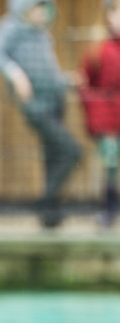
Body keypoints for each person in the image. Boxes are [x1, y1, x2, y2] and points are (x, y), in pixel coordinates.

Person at [0, 0, 82, 229]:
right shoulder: (10, 26)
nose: (41, 12)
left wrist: (69, 81)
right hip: (36, 106)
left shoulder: (41, 34)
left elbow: (49, 72)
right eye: (37, 7)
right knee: (71, 151)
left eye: (44, 7)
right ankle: (46, 201)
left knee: (53, 158)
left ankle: (50, 215)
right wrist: (15, 75)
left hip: (56, 101)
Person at [80, 0, 120, 228]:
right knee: (111, 164)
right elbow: (85, 85)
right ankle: (109, 210)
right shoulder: (97, 48)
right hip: (107, 120)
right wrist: (97, 116)